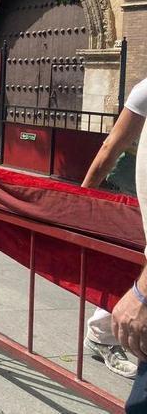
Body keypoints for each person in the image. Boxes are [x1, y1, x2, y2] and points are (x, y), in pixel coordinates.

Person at [81, 75, 147, 393]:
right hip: (132, 199)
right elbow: (110, 147)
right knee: (130, 265)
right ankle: (103, 335)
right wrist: (82, 198)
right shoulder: (144, 91)